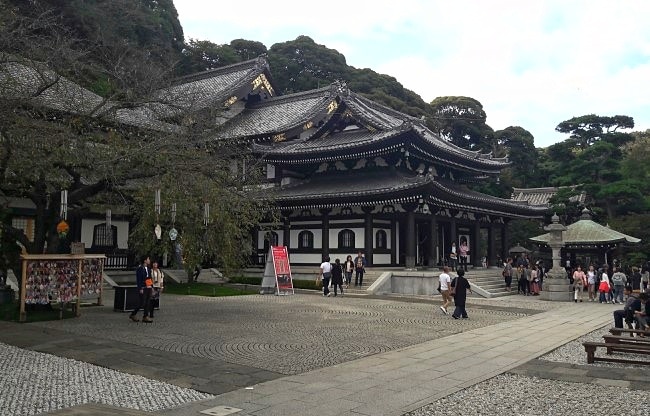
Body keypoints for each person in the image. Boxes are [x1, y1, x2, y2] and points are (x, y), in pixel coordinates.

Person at [129, 255, 153, 323]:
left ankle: (145, 316)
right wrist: (140, 288)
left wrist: (151, 286)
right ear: (145, 260)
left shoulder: (148, 268)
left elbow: (149, 278)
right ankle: (133, 314)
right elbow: (139, 279)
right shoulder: (140, 269)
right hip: (143, 287)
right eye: (148, 259)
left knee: (147, 302)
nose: (149, 260)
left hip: (148, 287)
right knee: (142, 302)